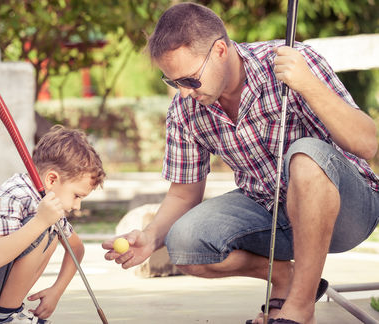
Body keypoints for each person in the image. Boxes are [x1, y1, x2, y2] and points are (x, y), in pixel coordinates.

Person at [102, 3, 379, 324]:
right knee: (184, 242)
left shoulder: (292, 61)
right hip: (271, 212)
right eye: (172, 81)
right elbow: (183, 195)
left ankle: (300, 308)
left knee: (305, 156)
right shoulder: (185, 109)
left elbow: (367, 144)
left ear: (220, 49)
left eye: (189, 80)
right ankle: (286, 278)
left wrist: (308, 84)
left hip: (348, 212)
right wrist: (151, 237)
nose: (183, 92)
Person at [0, 125, 105, 323]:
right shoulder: (11, 196)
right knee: (42, 227)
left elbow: (76, 249)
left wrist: (56, 291)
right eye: (77, 196)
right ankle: (5, 317)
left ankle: (7, 312)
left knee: (51, 230)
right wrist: (40, 221)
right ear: (52, 179)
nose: (77, 206)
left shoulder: (48, 204)